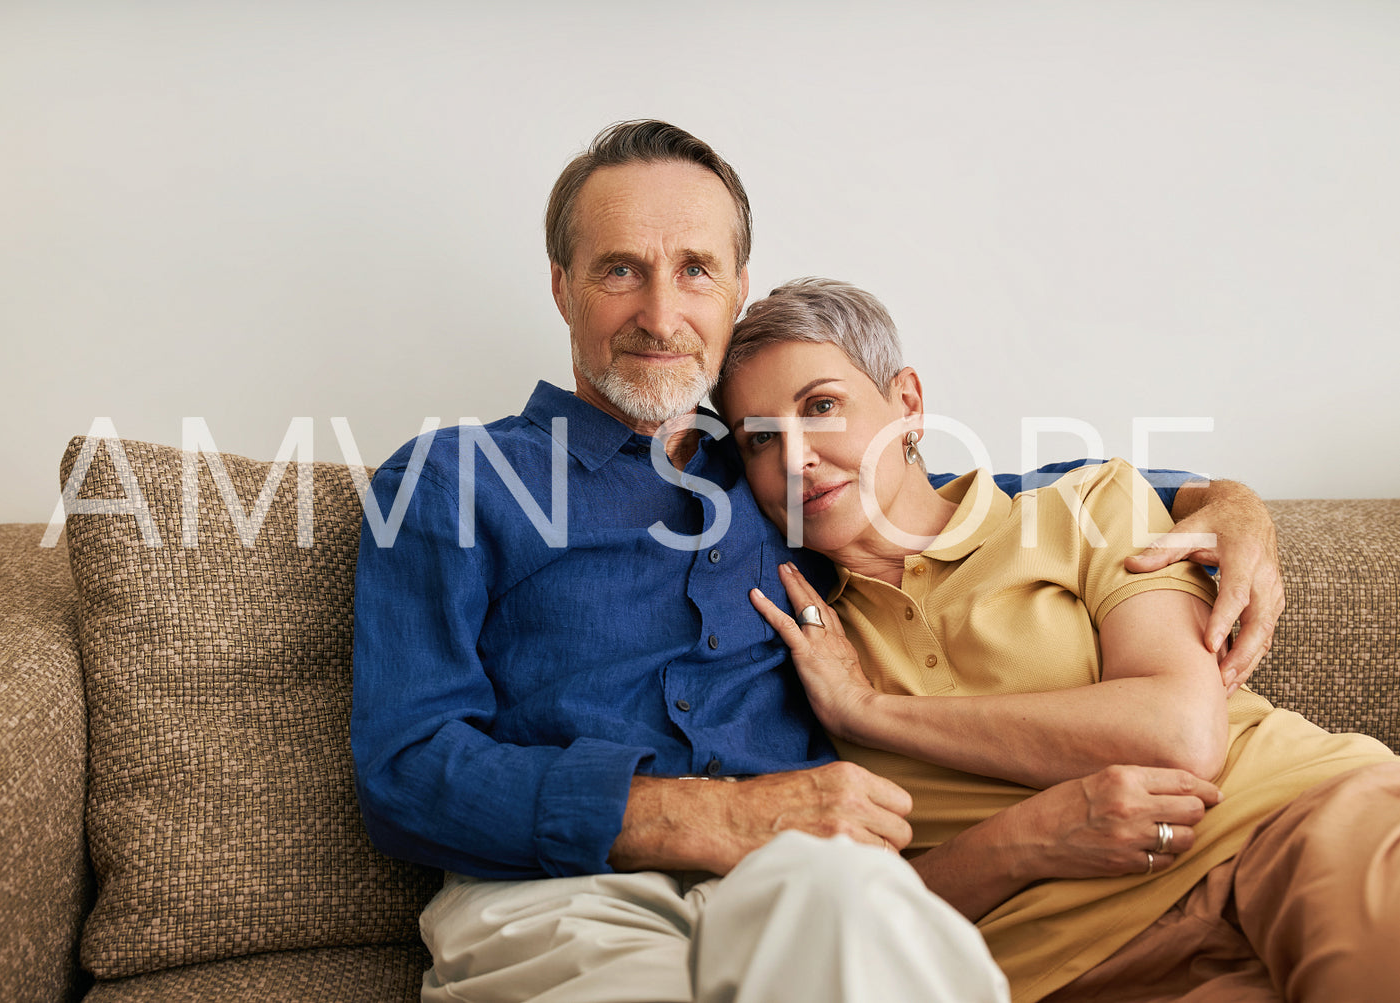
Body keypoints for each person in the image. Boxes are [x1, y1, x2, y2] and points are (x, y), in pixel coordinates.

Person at [351, 120, 1285, 1003]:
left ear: (737, 291)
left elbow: (1008, 490)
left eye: (695, 269)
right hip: (562, 893)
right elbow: (404, 768)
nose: (661, 311)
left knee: (870, 922)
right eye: (619, 271)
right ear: (561, 286)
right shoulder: (452, 479)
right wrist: (706, 816)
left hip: (801, 876)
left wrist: (1225, 502)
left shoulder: (779, 472)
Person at [715, 276, 1400, 1003]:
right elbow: (870, 914)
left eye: (820, 406)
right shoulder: (792, 643)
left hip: (1289, 818)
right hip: (1070, 965)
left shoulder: (1083, 505)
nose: (794, 459)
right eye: (759, 438)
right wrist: (1026, 837)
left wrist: (868, 712)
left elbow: (1178, 732)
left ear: (907, 403)